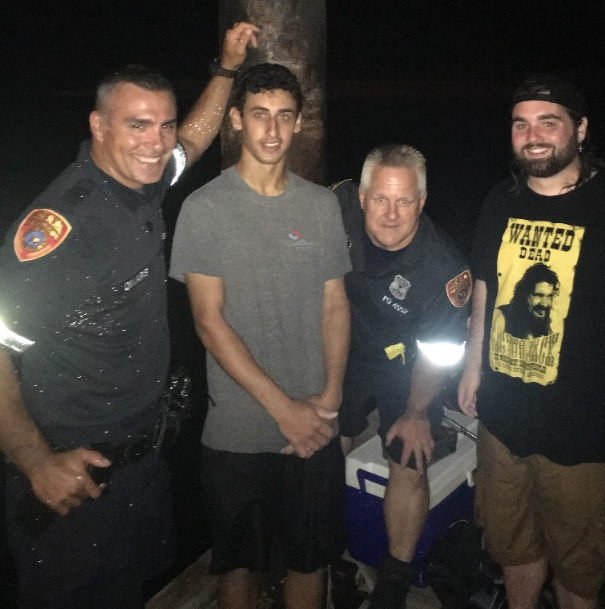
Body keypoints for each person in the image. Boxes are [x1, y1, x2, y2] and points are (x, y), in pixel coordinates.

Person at [0, 22, 259, 609]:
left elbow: (192, 141)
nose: (156, 141)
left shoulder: (140, 185)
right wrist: (36, 462)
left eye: (161, 124)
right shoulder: (59, 231)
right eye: (137, 125)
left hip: (142, 466)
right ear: (97, 125)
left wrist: (225, 68)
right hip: (73, 479)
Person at [169, 63, 351, 609]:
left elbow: (335, 304)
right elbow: (208, 321)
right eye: (259, 116)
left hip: (315, 422)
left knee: (308, 560)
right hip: (236, 431)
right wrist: (282, 410)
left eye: (284, 117)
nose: (272, 131)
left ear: (298, 125)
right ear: (235, 122)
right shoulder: (204, 209)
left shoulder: (321, 206)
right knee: (238, 565)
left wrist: (333, 394)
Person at [459, 74, 605, 609]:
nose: (533, 135)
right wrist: (472, 368)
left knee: (579, 568)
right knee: (513, 547)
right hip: (502, 417)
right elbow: (484, 288)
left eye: (549, 121)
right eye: (522, 124)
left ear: (580, 129)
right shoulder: (501, 200)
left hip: (582, 431)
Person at [331, 144, 471, 609]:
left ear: (422, 202)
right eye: (381, 200)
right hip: (345, 348)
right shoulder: (336, 205)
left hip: (408, 365)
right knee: (324, 447)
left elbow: (441, 351)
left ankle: (393, 583)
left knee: (409, 458)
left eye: (405, 201)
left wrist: (415, 413)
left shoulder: (445, 270)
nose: (391, 215)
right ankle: (330, 559)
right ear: (363, 197)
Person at [496, 262, 559, 338]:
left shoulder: (549, 323)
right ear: (524, 294)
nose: (545, 304)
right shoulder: (502, 317)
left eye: (549, 296)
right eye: (538, 295)